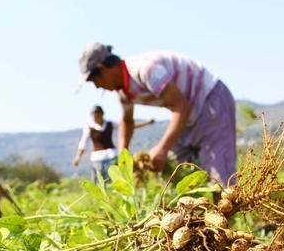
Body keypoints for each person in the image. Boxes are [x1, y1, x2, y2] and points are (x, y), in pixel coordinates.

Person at [78, 43, 237, 185]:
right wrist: (123, 157)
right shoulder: (122, 92)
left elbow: (181, 106)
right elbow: (127, 121)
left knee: (221, 178)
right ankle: (196, 216)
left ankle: (225, 215)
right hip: (187, 114)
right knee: (180, 173)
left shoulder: (144, 70)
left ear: (103, 69)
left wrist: (162, 149)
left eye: (94, 81)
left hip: (211, 101)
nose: (98, 87)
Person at [73, 105, 153, 182]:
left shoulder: (110, 124)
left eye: (98, 114)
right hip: (97, 159)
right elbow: (83, 143)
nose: (96, 117)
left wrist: (147, 123)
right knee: (99, 182)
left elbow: (128, 127)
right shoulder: (89, 127)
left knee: (115, 181)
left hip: (112, 156)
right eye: (94, 115)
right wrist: (78, 157)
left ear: (102, 114)